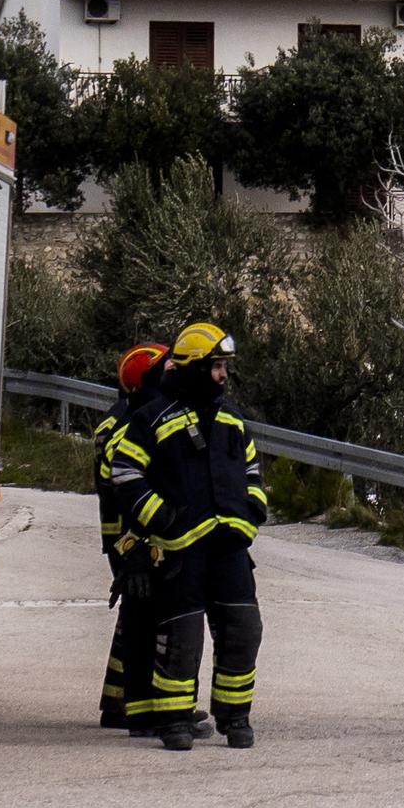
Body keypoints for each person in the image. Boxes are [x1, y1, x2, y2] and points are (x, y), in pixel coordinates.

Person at [125, 321, 270, 751]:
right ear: (191, 367)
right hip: (181, 552)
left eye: (224, 366)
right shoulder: (151, 418)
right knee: (180, 639)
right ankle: (174, 722)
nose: (223, 375)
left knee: (244, 631)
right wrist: (162, 519)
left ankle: (235, 717)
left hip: (230, 548)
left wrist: (254, 506)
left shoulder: (232, 419)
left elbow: (251, 469)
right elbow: (125, 473)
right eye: (215, 366)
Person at [95, 341, 171, 737]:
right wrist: (133, 549)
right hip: (130, 537)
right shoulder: (129, 426)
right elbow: (123, 487)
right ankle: (142, 703)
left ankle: (116, 701)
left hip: (123, 538)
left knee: (134, 615)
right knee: (149, 615)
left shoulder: (124, 416)